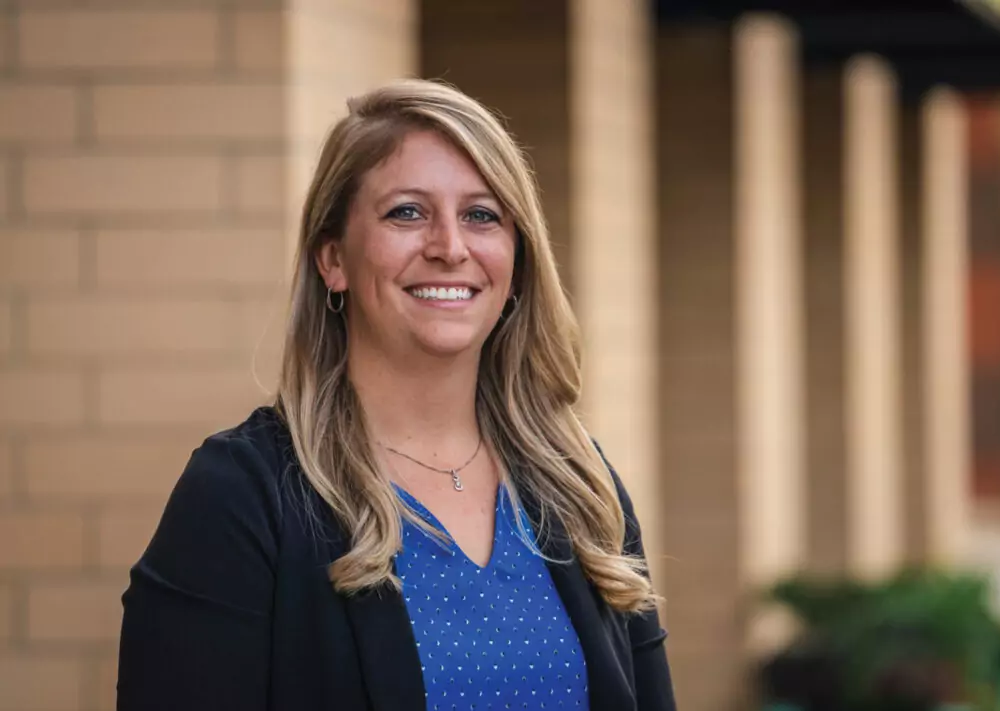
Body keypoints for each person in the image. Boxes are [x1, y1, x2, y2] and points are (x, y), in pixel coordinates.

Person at [117, 78, 675, 711]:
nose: (449, 247)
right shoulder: (245, 495)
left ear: (517, 261)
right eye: (406, 212)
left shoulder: (579, 486)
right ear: (334, 259)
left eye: (482, 215)